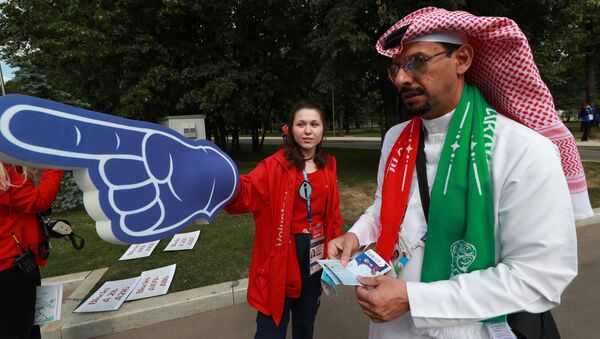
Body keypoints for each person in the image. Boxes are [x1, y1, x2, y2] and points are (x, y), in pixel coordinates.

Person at [327, 7, 592, 339]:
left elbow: (540, 276)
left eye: (417, 62)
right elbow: (386, 207)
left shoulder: (523, 150)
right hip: (392, 329)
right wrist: (357, 236)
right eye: (396, 67)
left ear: (462, 59)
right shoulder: (396, 140)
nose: (401, 79)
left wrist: (414, 299)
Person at [226, 100, 343, 339]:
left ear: (323, 129)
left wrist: (335, 249)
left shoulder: (328, 166)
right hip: (281, 256)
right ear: (291, 128)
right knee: (271, 327)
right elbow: (246, 192)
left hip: (314, 256)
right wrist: (225, 182)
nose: (308, 130)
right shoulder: (274, 166)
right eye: (301, 124)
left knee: (305, 323)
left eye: (314, 124)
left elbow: (333, 215)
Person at [0, 163, 63, 339]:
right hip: (11, 269)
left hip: (10, 266)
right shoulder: (5, 175)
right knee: (21, 331)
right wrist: (55, 165)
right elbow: (38, 201)